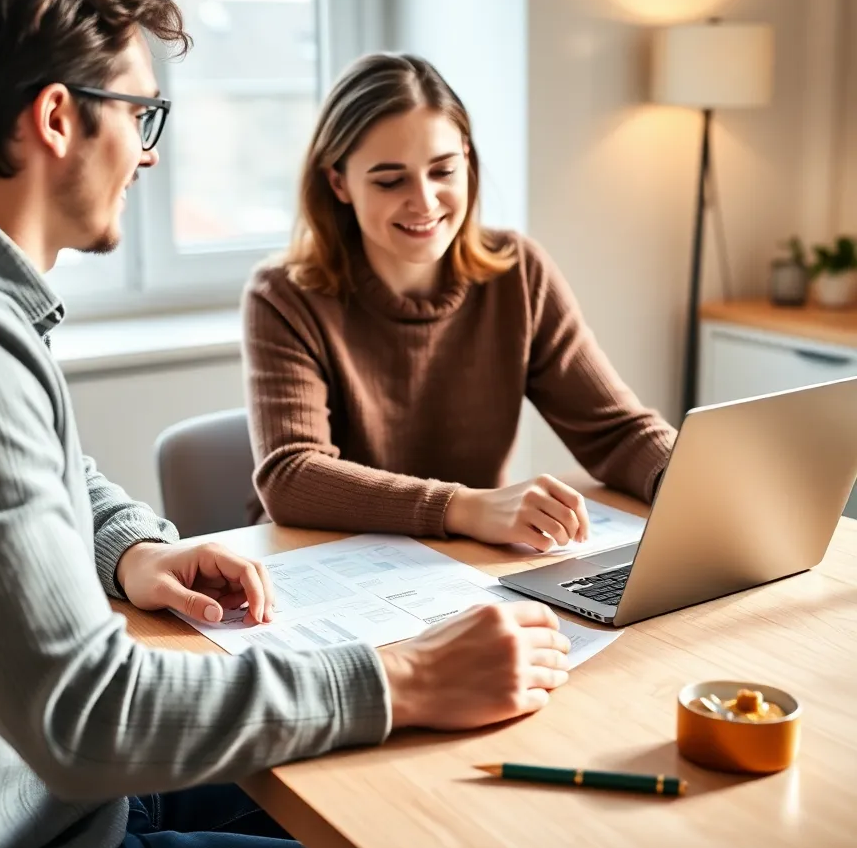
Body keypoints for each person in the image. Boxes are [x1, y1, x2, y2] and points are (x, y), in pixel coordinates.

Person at [0, 0, 572, 848]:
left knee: (442, 800)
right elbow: (85, 716)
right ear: (59, 118)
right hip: (34, 838)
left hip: (61, 803)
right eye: (140, 116)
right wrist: (404, 675)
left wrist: (129, 549)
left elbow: (50, 475)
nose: (147, 154)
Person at [244, 52, 676, 548]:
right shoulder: (283, 294)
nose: (424, 201)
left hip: (467, 563)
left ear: (467, 159)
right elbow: (292, 477)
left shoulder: (518, 270)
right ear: (338, 182)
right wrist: (462, 507)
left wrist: (688, 484)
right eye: (390, 180)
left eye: (443, 171)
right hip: (322, 567)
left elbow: (615, 430)